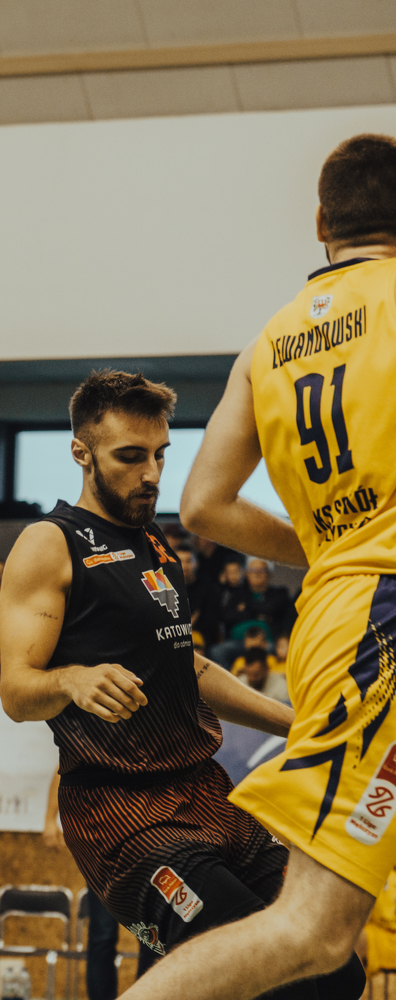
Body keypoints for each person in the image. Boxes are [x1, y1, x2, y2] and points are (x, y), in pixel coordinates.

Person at [117, 135, 396, 1000]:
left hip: (337, 613)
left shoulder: (269, 344)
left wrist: (333, 544)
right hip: (384, 622)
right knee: (314, 930)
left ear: (320, 224)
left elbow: (204, 504)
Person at [0, 371, 363, 1000]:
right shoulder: (48, 544)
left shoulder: (155, 540)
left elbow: (185, 666)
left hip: (209, 798)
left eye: (160, 455)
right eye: (130, 457)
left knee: (334, 971)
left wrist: (295, 723)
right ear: (81, 452)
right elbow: (17, 691)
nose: (152, 474)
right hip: (125, 818)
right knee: (263, 978)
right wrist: (72, 679)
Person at [43, 774, 122, 1000]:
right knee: (103, 933)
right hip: (104, 843)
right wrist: (50, 819)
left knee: (153, 936)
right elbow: (64, 767)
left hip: (151, 840)